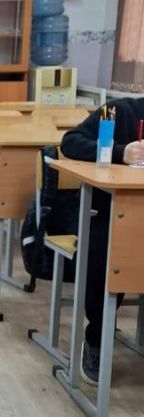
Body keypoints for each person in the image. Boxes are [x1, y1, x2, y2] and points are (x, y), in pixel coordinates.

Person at [60, 96, 144, 384]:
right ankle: (95, 338)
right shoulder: (120, 111)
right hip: (108, 216)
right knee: (108, 254)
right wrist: (120, 152)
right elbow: (70, 142)